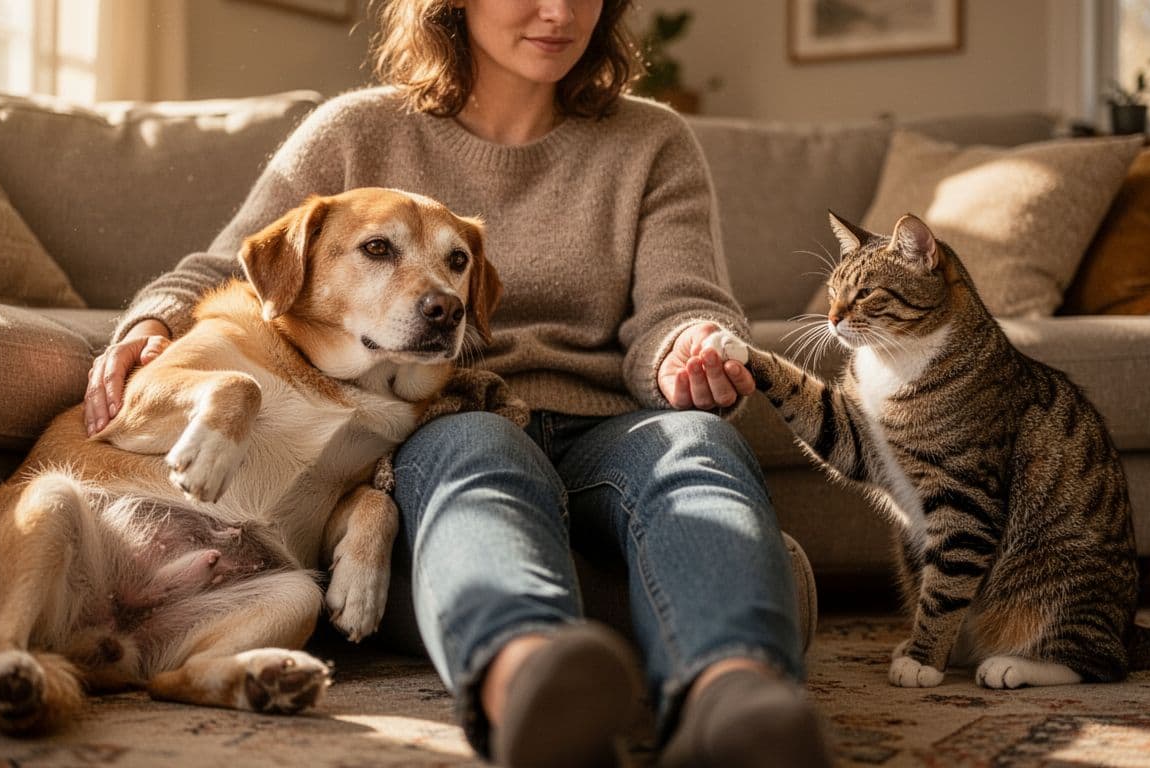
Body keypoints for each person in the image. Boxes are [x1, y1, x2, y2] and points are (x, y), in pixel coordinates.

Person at [84, 1, 832, 766]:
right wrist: (154, 323)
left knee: (698, 445)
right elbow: (229, 265)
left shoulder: (652, 141)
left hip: (609, 422)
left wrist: (689, 347)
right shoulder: (354, 130)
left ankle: (738, 702)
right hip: (449, 414)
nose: (559, 11)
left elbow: (681, 304)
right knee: (477, 450)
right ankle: (531, 687)